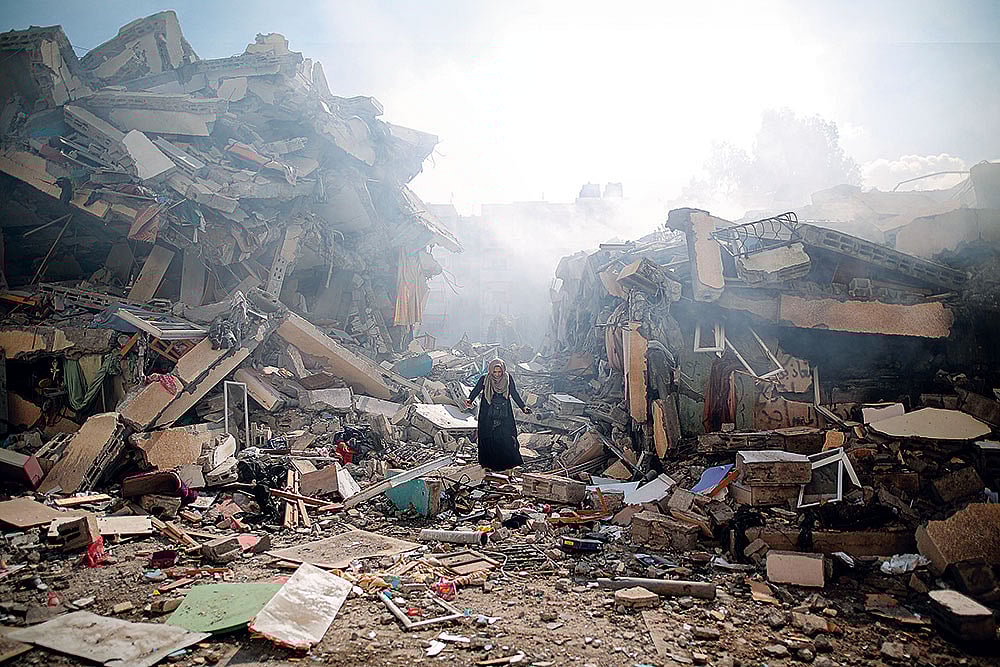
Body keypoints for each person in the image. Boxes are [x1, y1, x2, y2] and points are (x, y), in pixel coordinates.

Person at [465, 359, 531, 471]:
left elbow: (514, 393)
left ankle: (509, 464)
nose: (497, 374)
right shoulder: (485, 379)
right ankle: (488, 465)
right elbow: (476, 390)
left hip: (504, 412)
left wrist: (523, 407)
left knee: (506, 436)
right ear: (490, 371)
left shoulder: (508, 379)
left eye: (499, 372)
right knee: (488, 436)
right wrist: (470, 400)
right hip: (488, 412)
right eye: (494, 372)